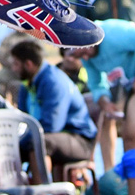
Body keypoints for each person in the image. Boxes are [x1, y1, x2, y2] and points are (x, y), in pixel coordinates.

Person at [8, 40, 98, 180]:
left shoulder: (53, 81)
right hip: (50, 136)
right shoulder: (26, 84)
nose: (13, 69)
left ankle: (42, 194)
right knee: (7, 146)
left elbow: (52, 125)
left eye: (16, 64)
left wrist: (23, 140)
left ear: (29, 64)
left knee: (40, 142)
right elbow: (23, 119)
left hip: (79, 140)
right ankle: (15, 192)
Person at [75, 18, 135, 178]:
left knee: (134, 132)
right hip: (129, 83)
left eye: (84, 52)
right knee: (109, 117)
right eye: (80, 56)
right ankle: (111, 175)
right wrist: (105, 102)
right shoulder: (84, 53)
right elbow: (96, 84)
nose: (85, 58)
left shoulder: (113, 33)